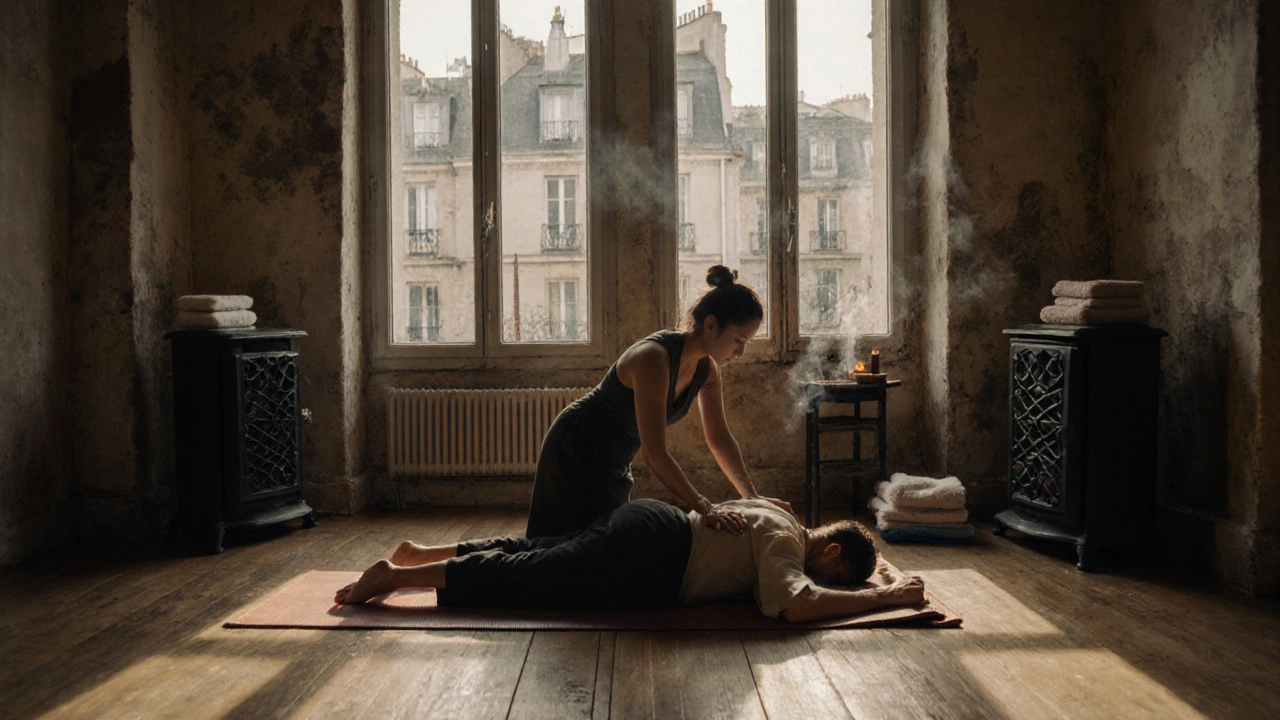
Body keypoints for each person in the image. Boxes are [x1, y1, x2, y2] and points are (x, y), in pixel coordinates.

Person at [334, 498, 927, 623]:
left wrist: (879, 585)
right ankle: (397, 577)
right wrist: (882, 597)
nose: (832, 585)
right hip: (655, 555)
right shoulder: (786, 544)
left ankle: (422, 553)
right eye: (838, 576)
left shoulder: (778, 515)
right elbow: (791, 605)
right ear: (827, 550)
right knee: (537, 577)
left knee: (540, 551)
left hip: (649, 523)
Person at [526, 265, 788, 539]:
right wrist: (704, 506)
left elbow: (719, 437)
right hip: (575, 448)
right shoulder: (654, 358)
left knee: (593, 553)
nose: (741, 352)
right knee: (549, 549)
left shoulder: (707, 370)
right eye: (738, 340)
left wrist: (752, 497)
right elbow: (655, 454)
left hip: (614, 461)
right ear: (711, 325)